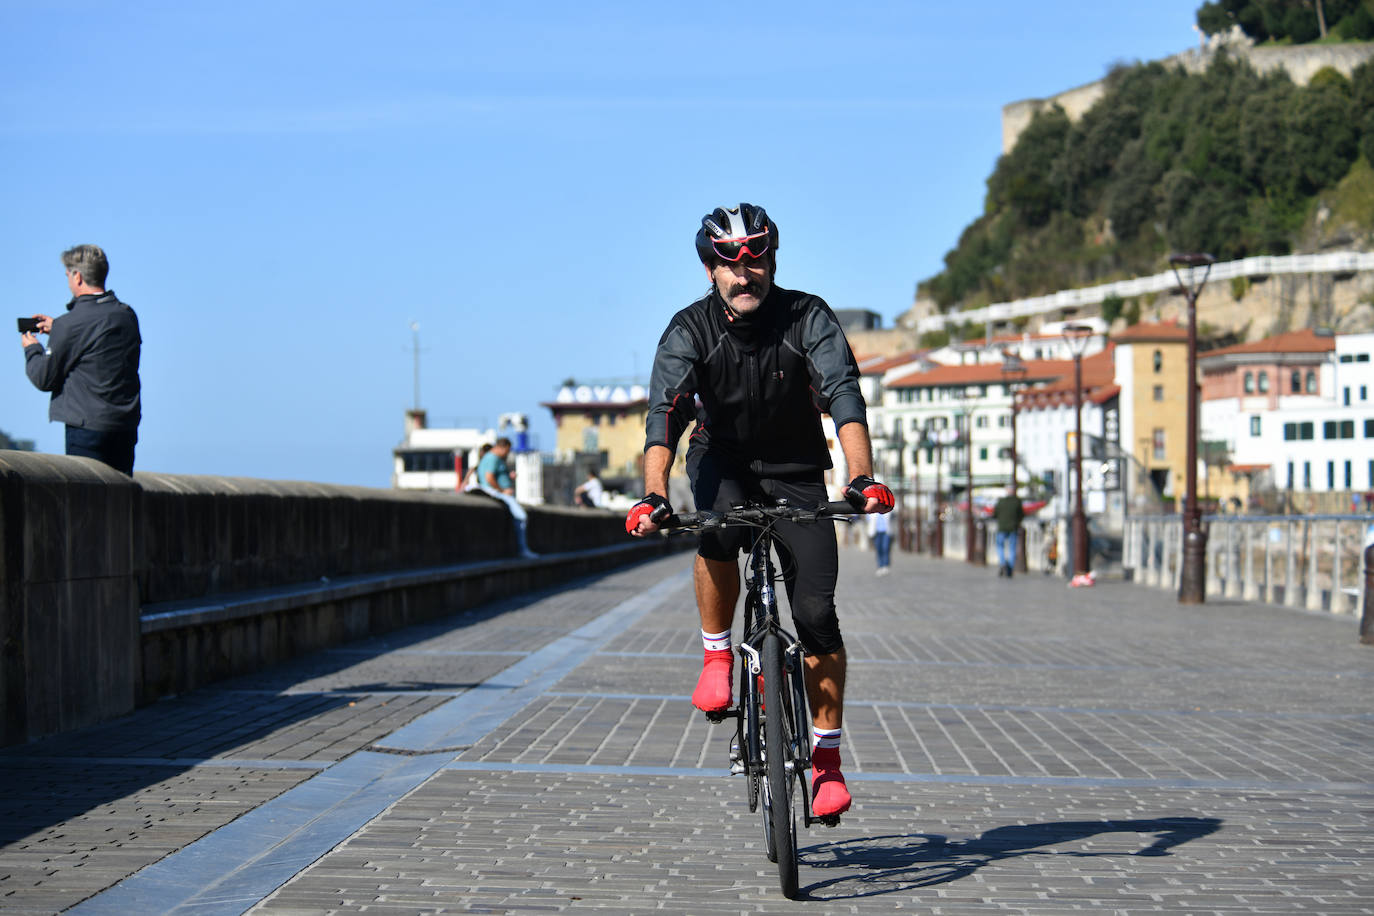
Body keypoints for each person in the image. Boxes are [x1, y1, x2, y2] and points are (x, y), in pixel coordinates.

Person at [625, 202, 894, 819]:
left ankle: (825, 763)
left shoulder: (807, 316)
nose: (745, 276)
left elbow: (844, 398)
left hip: (797, 469)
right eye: (730, 265)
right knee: (716, 531)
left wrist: (862, 478)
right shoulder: (688, 329)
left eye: (757, 261)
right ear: (710, 269)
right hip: (722, 463)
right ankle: (717, 653)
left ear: (773, 260)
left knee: (817, 614)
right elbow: (664, 417)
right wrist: (654, 495)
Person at [20, 245, 141, 475]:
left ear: (77, 276)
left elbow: (43, 378)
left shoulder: (71, 324)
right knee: (120, 503)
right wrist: (59, 329)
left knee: (89, 503)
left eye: (67, 275)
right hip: (123, 425)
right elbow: (97, 342)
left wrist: (32, 350)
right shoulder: (126, 315)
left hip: (86, 428)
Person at [476, 437, 537, 559]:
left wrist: (508, 477)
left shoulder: (492, 458)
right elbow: (489, 477)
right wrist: (503, 490)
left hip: (499, 493)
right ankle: (522, 549)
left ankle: (521, 549)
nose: (508, 454)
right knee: (521, 517)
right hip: (498, 494)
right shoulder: (493, 458)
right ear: (501, 447)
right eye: (507, 450)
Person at [993, 484, 1024, 578]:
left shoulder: (1001, 501)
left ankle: (1002, 563)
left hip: (1002, 527)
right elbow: (1021, 515)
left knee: (1000, 546)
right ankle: (1010, 566)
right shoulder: (1017, 501)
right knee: (1012, 548)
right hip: (1013, 528)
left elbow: (995, 514)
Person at [869, 509, 892, 576]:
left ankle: (885, 565)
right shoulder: (873, 511)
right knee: (878, 549)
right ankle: (880, 566)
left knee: (885, 548)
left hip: (886, 532)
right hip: (876, 532)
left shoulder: (887, 509)